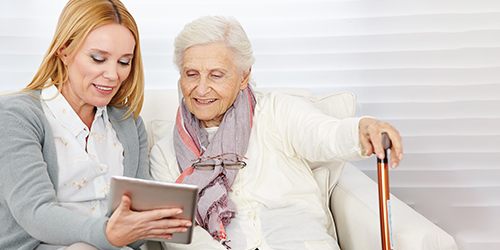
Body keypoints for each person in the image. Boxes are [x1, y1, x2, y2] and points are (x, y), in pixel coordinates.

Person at [149, 15, 404, 250]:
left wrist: (362, 128)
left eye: (216, 75)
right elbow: (182, 234)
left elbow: (324, 135)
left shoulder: (277, 111)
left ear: (243, 77)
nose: (201, 89)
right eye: (191, 74)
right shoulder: (165, 152)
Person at [0, 0, 192, 249]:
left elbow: (138, 234)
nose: (113, 75)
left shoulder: (128, 123)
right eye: (98, 58)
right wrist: (109, 234)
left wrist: (149, 224)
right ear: (64, 51)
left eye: (124, 62)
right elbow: (35, 213)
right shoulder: (18, 116)